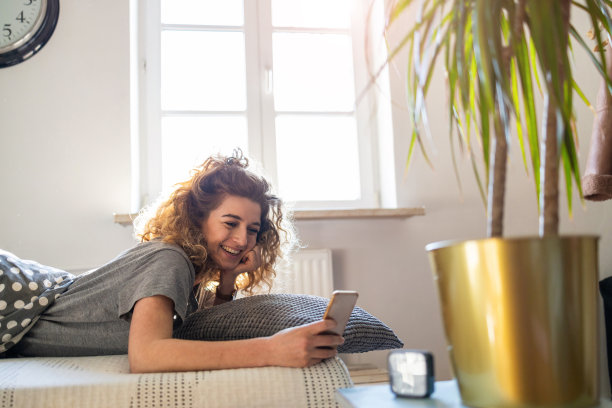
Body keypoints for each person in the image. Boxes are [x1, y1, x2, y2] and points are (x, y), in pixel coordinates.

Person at [2, 150, 344, 372]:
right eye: (230, 223)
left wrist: (227, 282)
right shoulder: (170, 259)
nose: (242, 239)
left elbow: (201, 329)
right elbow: (147, 355)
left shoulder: (190, 273)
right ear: (197, 217)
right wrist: (271, 350)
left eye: (252, 229)